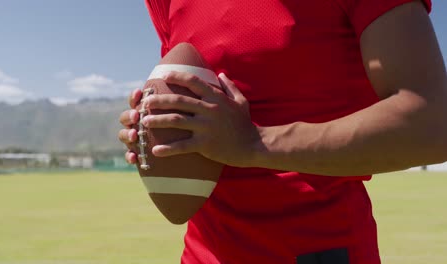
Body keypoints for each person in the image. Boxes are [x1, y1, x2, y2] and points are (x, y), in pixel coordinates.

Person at [119, 0, 447, 263]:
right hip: (202, 253)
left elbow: (433, 122)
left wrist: (254, 143)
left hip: (316, 251)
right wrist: (159, 127)